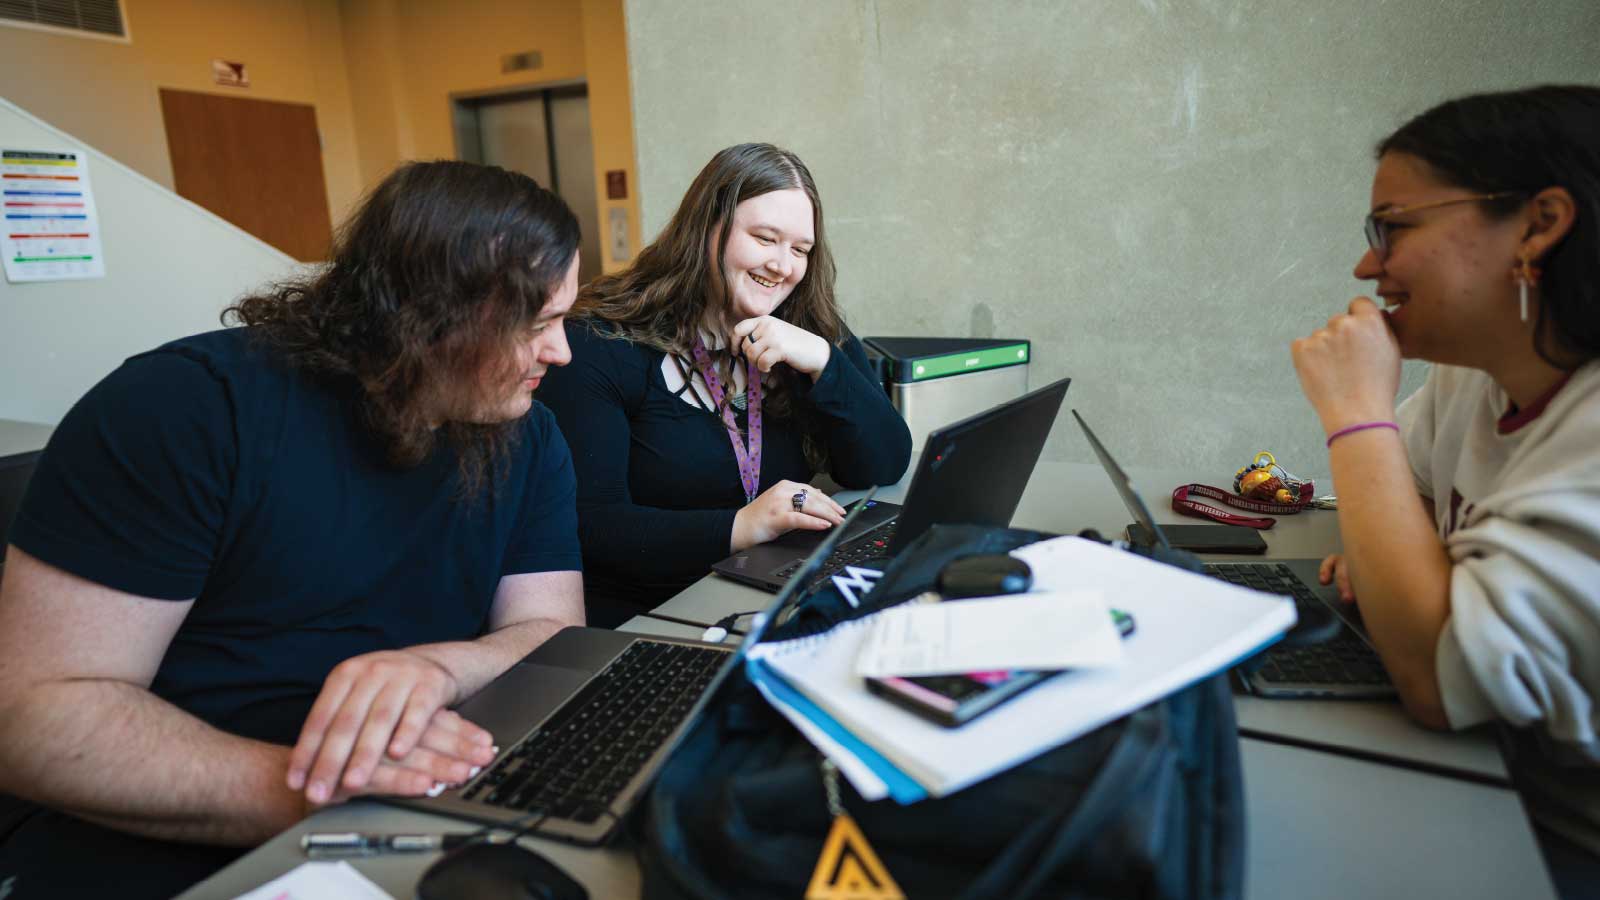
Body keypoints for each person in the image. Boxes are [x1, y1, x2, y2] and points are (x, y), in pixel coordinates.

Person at [0, 160, 586, 898]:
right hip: (176, 839)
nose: (561, 352)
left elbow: (554, 634)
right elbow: (32, 719)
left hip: (417, 810)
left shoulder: (528, 435)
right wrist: (323, 794)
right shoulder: (183, 411)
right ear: (428, 317)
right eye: (536, 325)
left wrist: (439, 668)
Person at [1289, 85, 1600, 894]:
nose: (1366, 264)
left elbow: (1434, 679)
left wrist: (1355, 413)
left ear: (1539, 224)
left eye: (1394, 227)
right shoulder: (1479, 377)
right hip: (1487, 773)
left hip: (1559, 839)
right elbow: (1408, 500)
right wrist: (1409, 567)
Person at [539, 143, 911, 624]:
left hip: (765, 595)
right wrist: (741, 526)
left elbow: (884, 461)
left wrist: (823, 359)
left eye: (800, 249)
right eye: (764, 238)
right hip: (654, 613)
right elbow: (592, 527)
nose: (783, 265)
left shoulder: (803, 327)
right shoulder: (599, 344)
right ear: (706, 229)